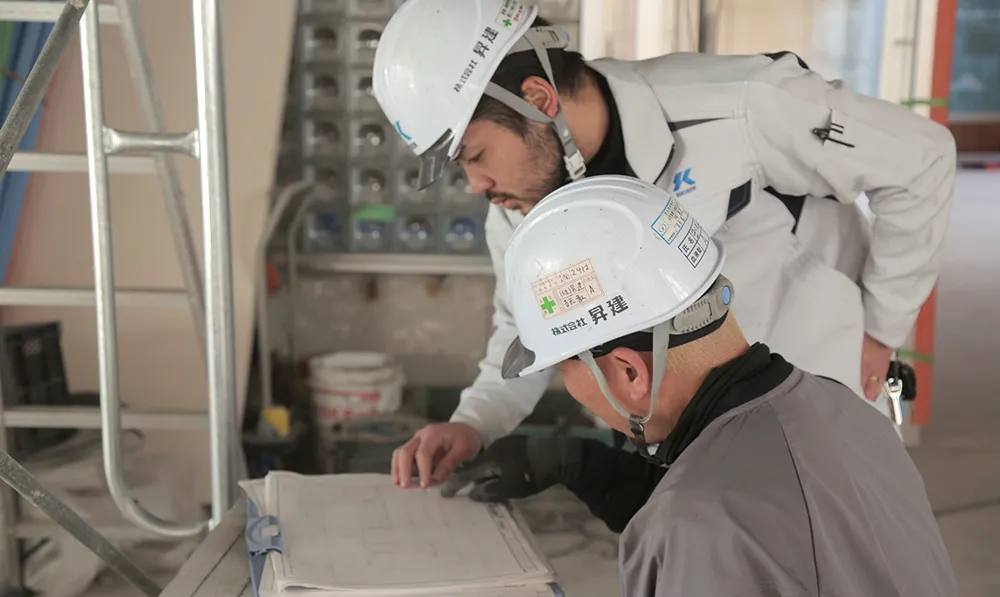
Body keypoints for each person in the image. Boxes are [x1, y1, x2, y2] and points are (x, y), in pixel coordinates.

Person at [371, 0, 957, 489]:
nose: (476, 185)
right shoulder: (519, 206)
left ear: (540, 99)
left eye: (474, 155)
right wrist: (473, 423)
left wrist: (883, 326)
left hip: (817, 396)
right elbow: (525, 326)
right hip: (684, 437)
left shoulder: (739, 106)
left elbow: (920, 162)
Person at [445, 174, 969, 597]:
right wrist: (580, 465)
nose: (576, 395)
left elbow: (718, 527)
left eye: (565, 372)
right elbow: (769, 523)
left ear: (629, 372)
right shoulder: (843, 411)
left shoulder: (698, 528)